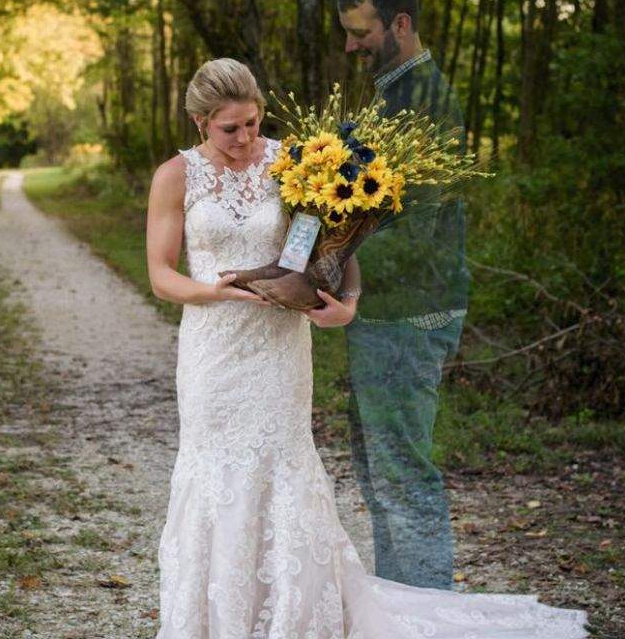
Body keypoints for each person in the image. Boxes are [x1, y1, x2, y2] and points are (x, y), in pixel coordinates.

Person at [146, 57, 587, 636]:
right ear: (202, 121)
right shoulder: (175, 176)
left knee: (282, 464)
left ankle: (292, 619)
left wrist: (346, 306)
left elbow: (340, 247)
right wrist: (216, 292)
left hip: (279, 349)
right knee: (213, 471)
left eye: (253, 122)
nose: (246, 138)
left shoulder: (292, 164)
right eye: (230, 128)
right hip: (212, 350)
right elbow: (161, 275)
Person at [337, 0, 468, 589]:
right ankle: (398, 611)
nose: (350, 45)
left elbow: (416, 232)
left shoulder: (429, 101)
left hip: (411, 314)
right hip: (379, 312)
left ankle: (428, 619)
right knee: (378, 475)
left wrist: (329, 267)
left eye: (360, 31)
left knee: (401, 476)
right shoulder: (390, 94)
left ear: (401, 23)